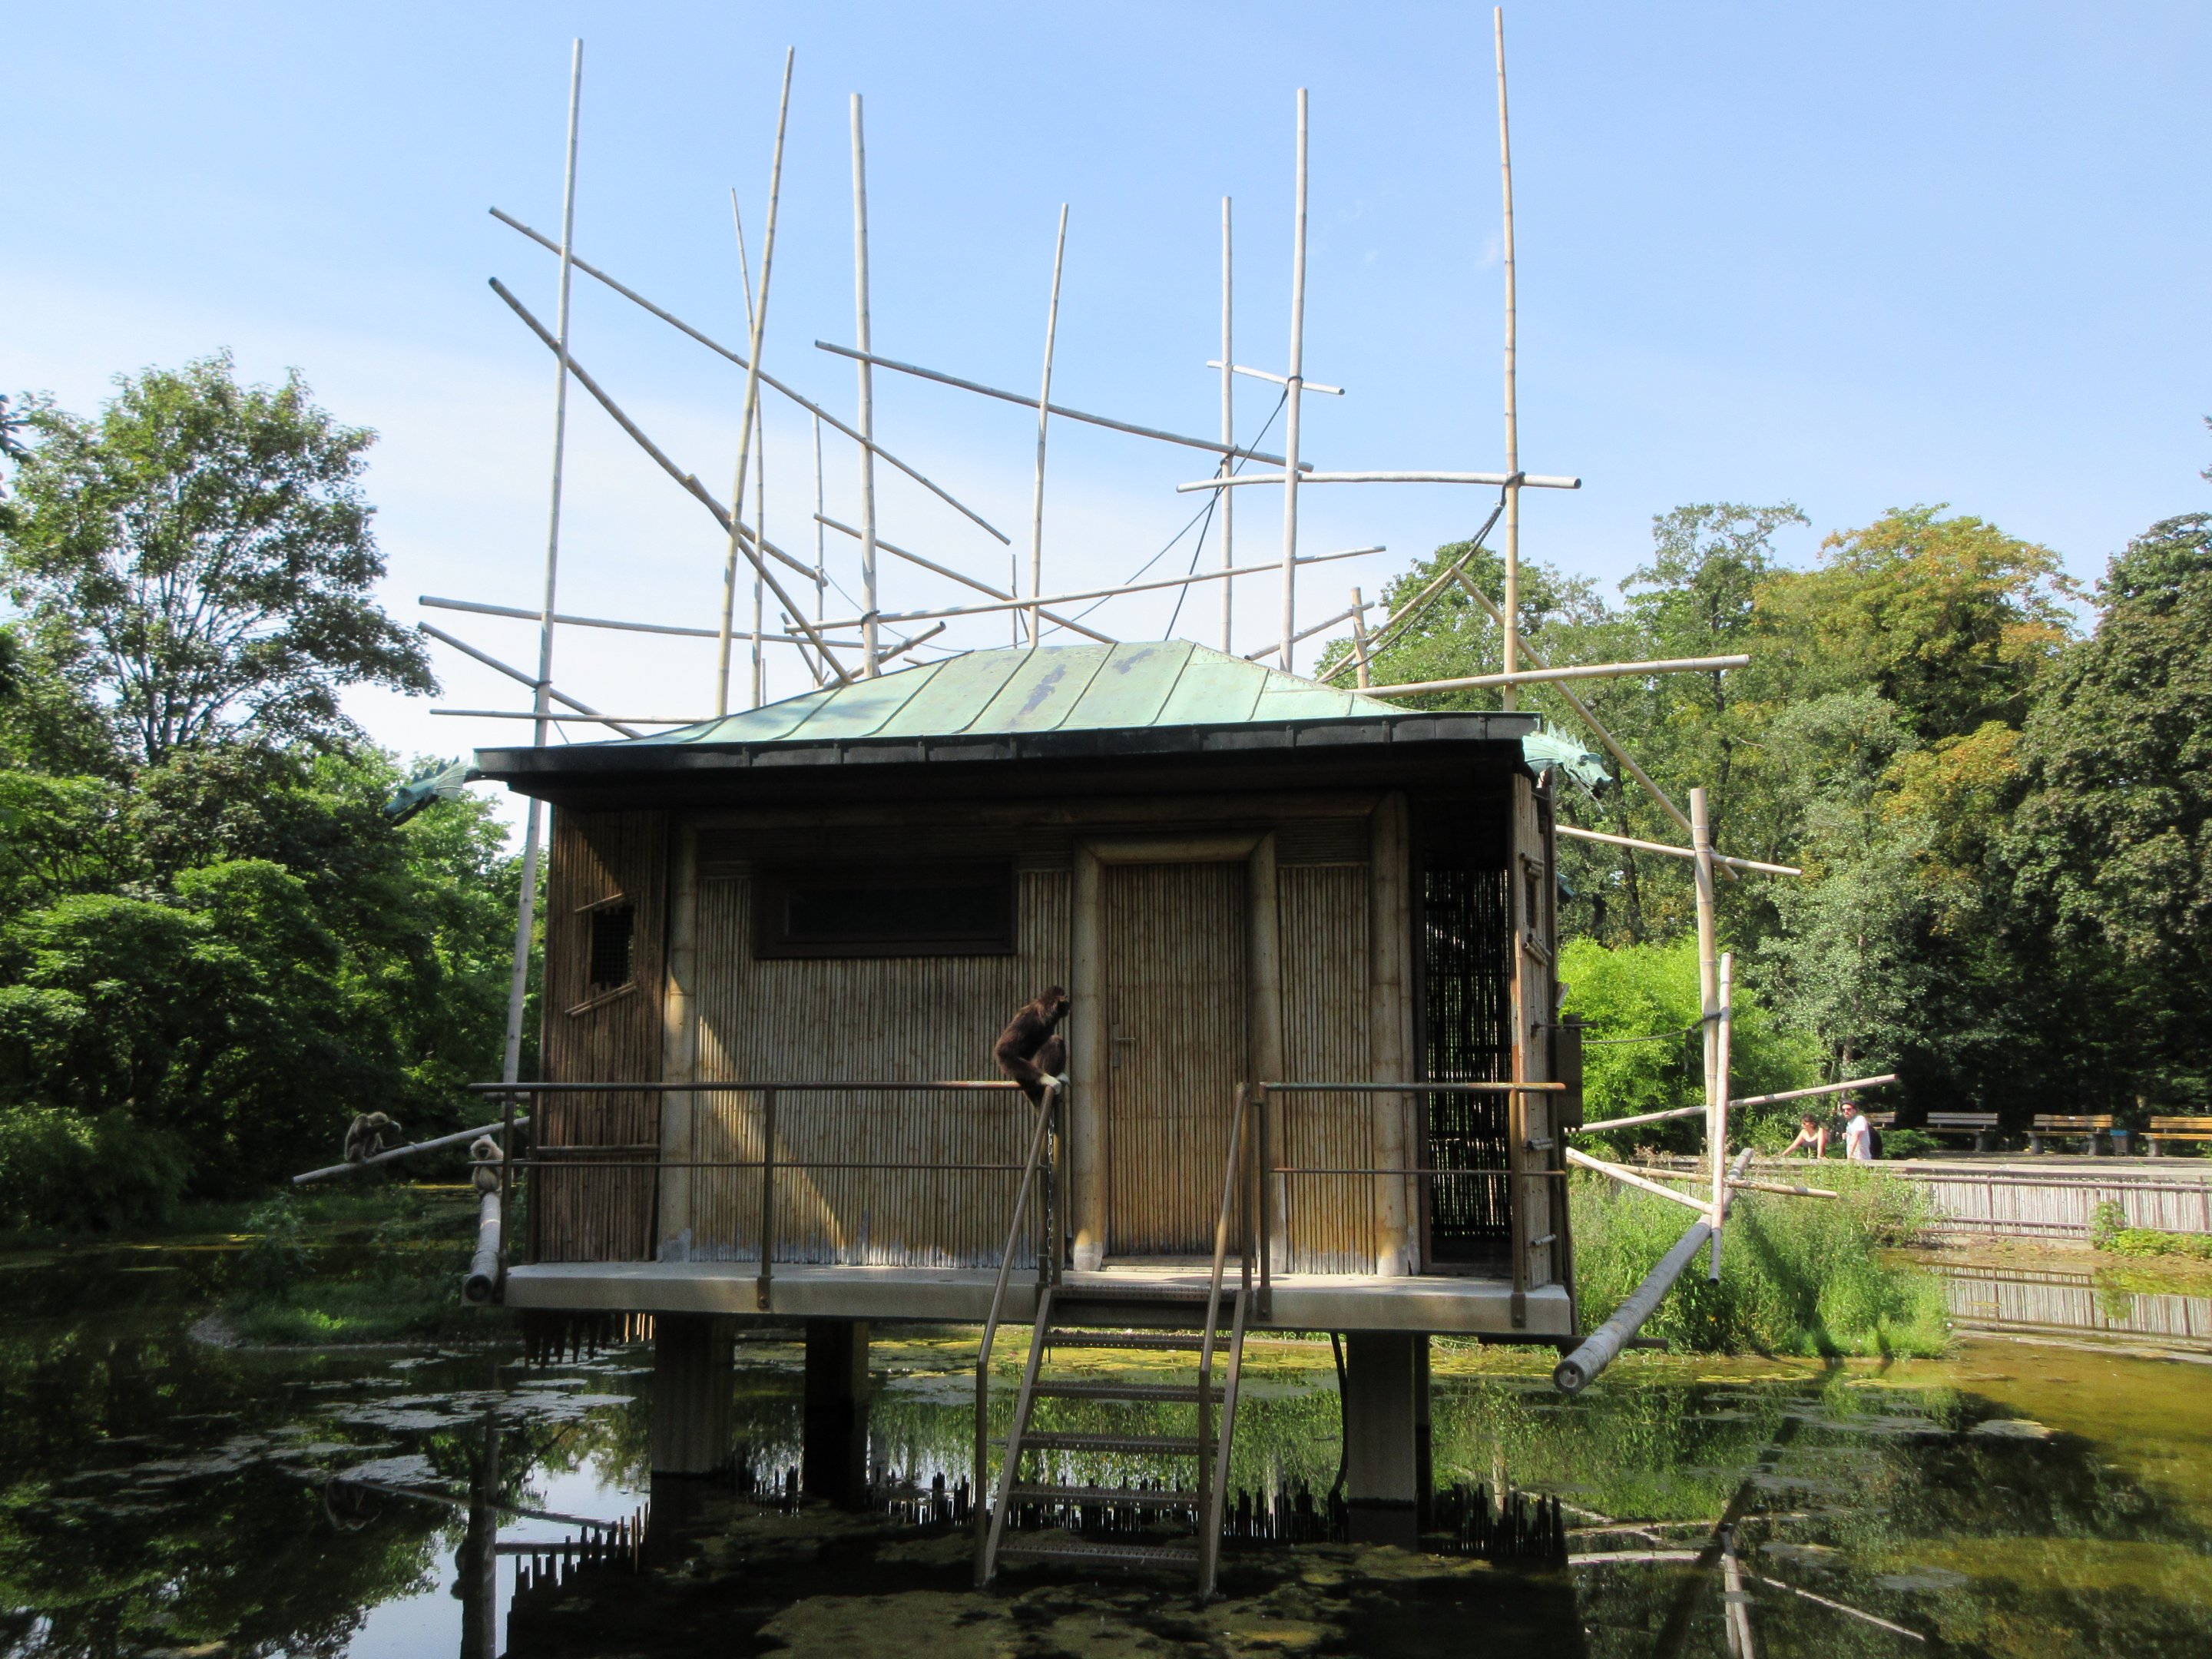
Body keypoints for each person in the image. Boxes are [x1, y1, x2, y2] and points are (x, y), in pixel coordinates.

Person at [1840, 1098, 1876, 1162]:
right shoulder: (1850, 1123)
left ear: (1855, 1110)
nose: (1846, 1111)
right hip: (1854, 1158)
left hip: (1862, 1159)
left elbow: (1856, 1136)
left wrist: (1850, 1156)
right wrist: (1847, 1135)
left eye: (1848, 1109)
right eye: (1843, 1110)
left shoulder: (1860, 1119)